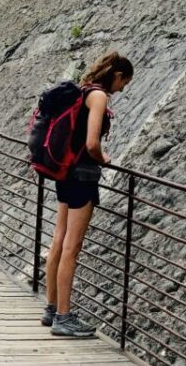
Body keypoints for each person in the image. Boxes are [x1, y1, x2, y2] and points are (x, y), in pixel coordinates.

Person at [42, 52, 134, 338]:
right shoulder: (99, 97)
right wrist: (103, 157)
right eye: (124, 83)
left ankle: (51, 308)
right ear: (117, 75)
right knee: (73, 245)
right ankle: (64, 317)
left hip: (64, 173)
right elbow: (92, 143)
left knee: (59, 238)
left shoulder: (81, 91)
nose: (122, 89)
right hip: (82, 176)